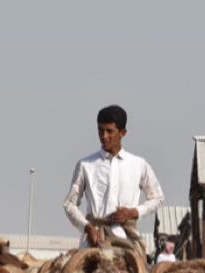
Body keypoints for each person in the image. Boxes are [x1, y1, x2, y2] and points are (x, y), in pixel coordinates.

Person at [63, 104, 164, 250]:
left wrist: (133, 212)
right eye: (100, 130)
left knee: (142, 265)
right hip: (93, 242)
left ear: (122, 132)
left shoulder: (139, 164)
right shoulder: (85, 165)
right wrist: (87, 228)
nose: (104, 136)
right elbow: (69, 204)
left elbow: (157, 198)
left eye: (109, 131)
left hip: (127, 241)